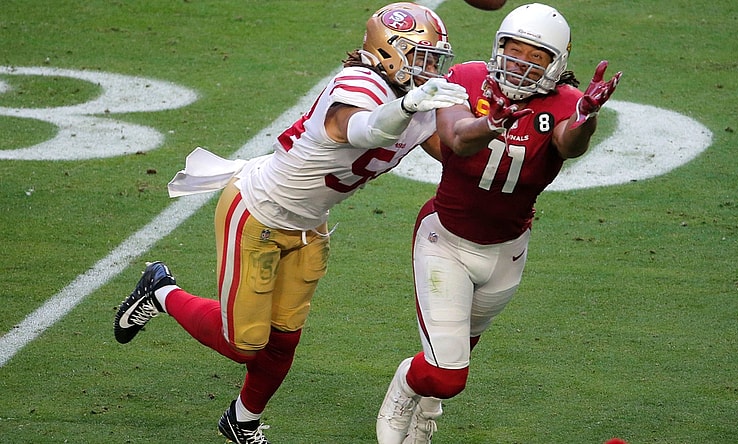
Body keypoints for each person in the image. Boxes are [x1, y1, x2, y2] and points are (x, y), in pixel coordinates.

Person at [112, 3, 468, 444]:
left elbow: (454, 150)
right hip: (258, 212)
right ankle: (161, 290)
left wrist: (502, 125)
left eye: (435, 59)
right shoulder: (358, 85)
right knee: (243, 343)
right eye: (420, 56)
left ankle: (240, 421)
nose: (429, 69)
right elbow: (360, 130)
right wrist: (410, 104)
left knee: (282, 341)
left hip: (311, 226)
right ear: (386, 51)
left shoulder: (419, 105)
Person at [375, 3, 622, 443]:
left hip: (507, 252)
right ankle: (406, 388)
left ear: (556, 63)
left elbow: (568, 145)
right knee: (448, 374)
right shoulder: (469, 77)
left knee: (456, 352)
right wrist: (492, 122)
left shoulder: (564, 101)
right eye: (515, 49)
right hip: (446, 239)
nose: (523, 62)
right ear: (498, 47)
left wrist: (585, 117)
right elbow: (455, 140)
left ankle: (427, 398)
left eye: (537, 55)